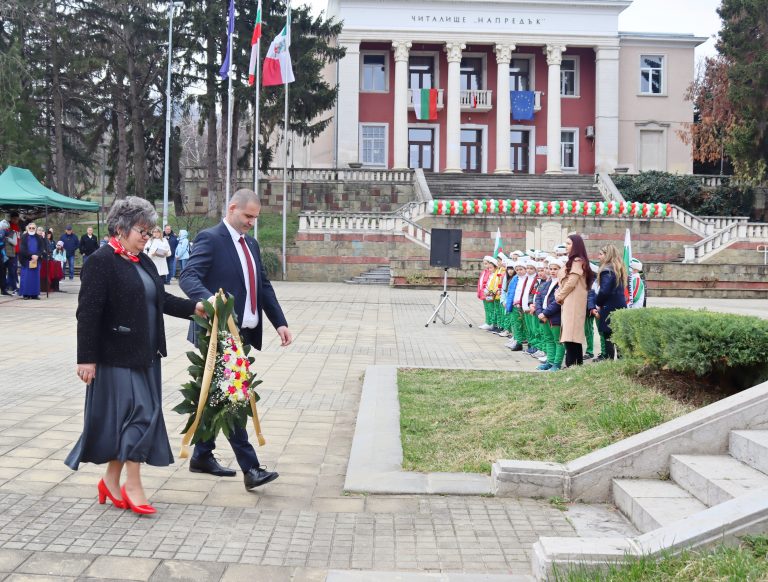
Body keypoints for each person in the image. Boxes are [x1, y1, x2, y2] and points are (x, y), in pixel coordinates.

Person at [65, 196, 204, 516]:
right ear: (121, 228)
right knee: (140, 416)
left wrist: (195, 308)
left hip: (146, 355)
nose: (147, 236)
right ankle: (133, 484)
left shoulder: (143, 261)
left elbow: (161, 299)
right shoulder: (101, 261)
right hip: (114, 356)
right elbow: (87, 313)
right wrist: (85, 358)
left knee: (128, 420)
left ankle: (110, 482)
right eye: (142, 231)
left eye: (150, 231)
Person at [180, 188, 292, 491]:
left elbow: (263, 286)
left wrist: (279, 322)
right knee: (234, 396)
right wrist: (214, 304)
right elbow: (189, 277)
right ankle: (251, 468)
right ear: (232, 208)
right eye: (247, 216)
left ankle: (202, 455)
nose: (251, 223)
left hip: (242, 333)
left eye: (255, 218)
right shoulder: (211, 238)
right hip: (217, 333)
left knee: (217, 395)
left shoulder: (251, 244)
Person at [555, 234, 594, 367]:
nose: (566, 246)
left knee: (571, 335)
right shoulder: (575, 260)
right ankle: (576, 365)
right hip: (571, 301)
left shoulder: (577, 261)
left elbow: (571, 282)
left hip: (573, 301)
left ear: (576, 245)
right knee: (572, 335)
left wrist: (559, 295)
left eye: (569, 243)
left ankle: (572, 364)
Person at [594, 245, 628, 360]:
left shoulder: (607, 270)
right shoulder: (618, 268)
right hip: (619, 305)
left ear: (607, 255)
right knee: (618, 336)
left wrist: (598, 303)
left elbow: (604, 291)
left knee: (608, 336)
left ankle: (609, 363)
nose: (598, 257)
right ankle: (621, 363)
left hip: (609, 307)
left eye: (601, 254)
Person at [19, 222, 45, 300]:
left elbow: (41, 248)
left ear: (35, 229)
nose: (31, 229)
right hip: (26, 260)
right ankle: (25, 294)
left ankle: (35, 294)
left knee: (35, 278)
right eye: (30, 228)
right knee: (26, 277)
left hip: (36, 260)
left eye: (33, 228)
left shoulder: (39, 237)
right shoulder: (23, 237)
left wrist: (37, 255)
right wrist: (31, 255)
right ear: (27, 228)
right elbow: (22, 249)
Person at [477, 257, 496, 330]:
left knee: (490, 308)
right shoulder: (484, 271)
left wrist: (487, 292)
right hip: (484, 293)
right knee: (486, 308)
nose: (485, 265)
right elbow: (480, 282)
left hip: (489, 294)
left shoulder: (490, 272)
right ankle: (487, 322)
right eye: (484, 263)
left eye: (486, 263)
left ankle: (490, 323)